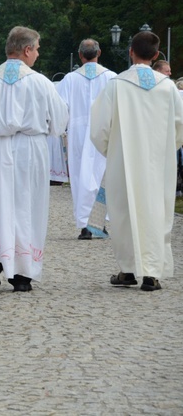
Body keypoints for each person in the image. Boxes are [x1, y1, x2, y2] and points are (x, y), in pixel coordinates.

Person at [0, 26, 68, 292]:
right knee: (26, 206)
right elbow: (59, 122)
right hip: (30, 150)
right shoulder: (40, 82)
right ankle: (22, 273)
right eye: (37, 48)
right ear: (26, 49)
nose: (38, 54)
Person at [90, 30, 183, 291]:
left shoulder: (116, 85)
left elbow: (99, 128)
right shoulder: (167, 87)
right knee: (156, 210)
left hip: (123, 159)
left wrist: (113, 150)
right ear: (155, 56)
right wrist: (165, 148)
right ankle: (152, 273)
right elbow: (180, 126)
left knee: (123, 213)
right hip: (158, 161)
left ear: (130, 51)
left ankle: (128, 269)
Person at [56, 39, 116, 239]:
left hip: (78, 134)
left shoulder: (70, 80)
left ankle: (85, 226)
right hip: (104, 133)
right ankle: (100, 222)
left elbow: (59, 109)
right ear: (99, 53)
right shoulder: (112, 78)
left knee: (81, 179)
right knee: (101, 177)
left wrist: (59, 130)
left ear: (80, 55)